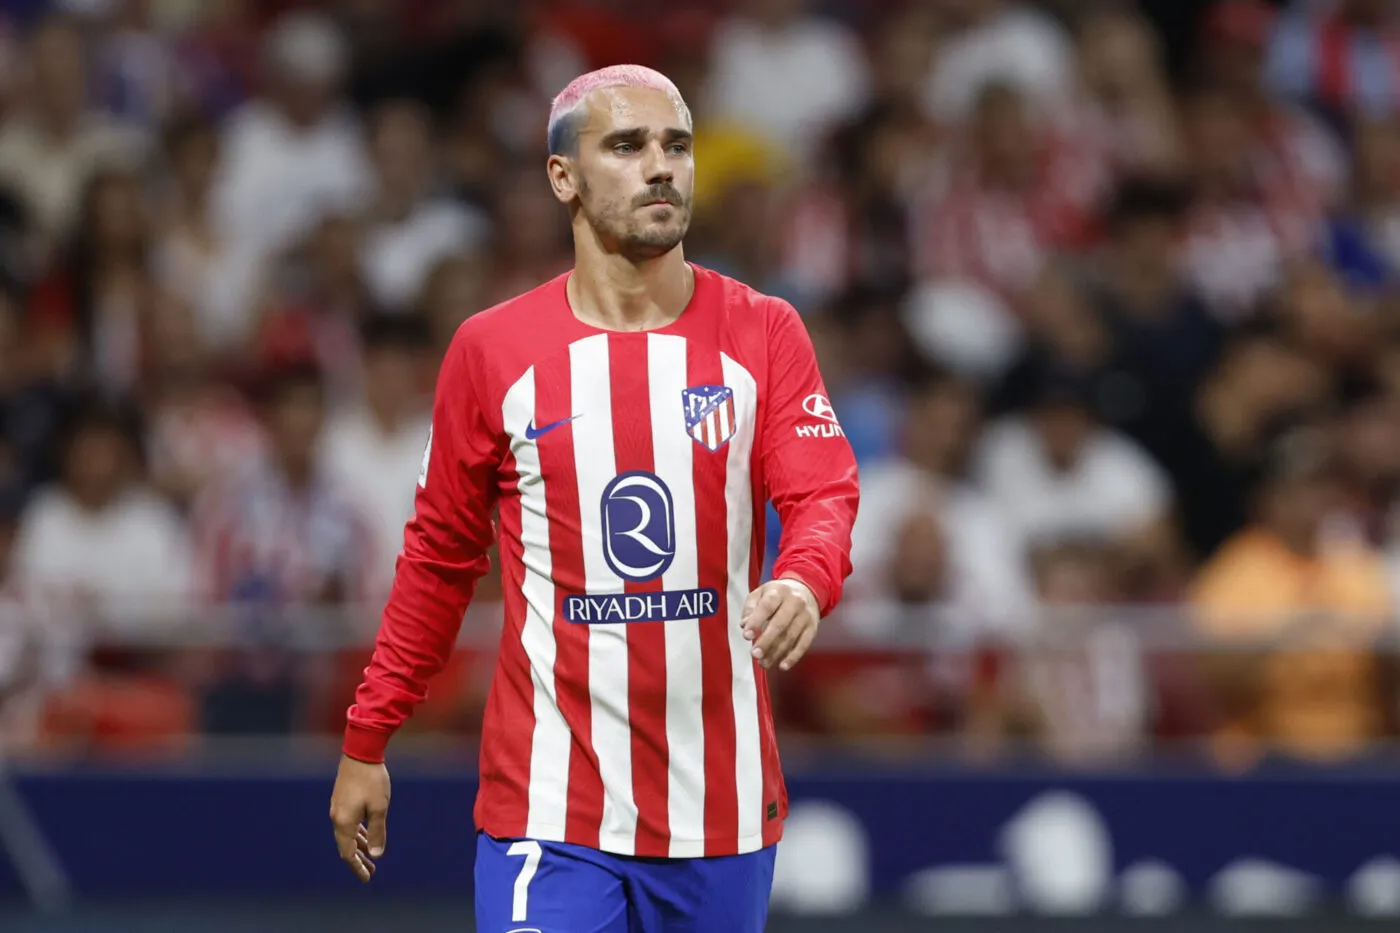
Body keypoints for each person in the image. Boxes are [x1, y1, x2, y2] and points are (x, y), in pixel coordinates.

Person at [327, 64, 860, 932]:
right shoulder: (491, 351)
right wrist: (367, 735)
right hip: (549, 810)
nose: (661, 166)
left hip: (718, 809)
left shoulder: (765, 330)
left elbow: (823, 490)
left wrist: (802, 578)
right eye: (627, 145)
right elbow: (438, 560)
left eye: (676, 145)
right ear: (562, 177)